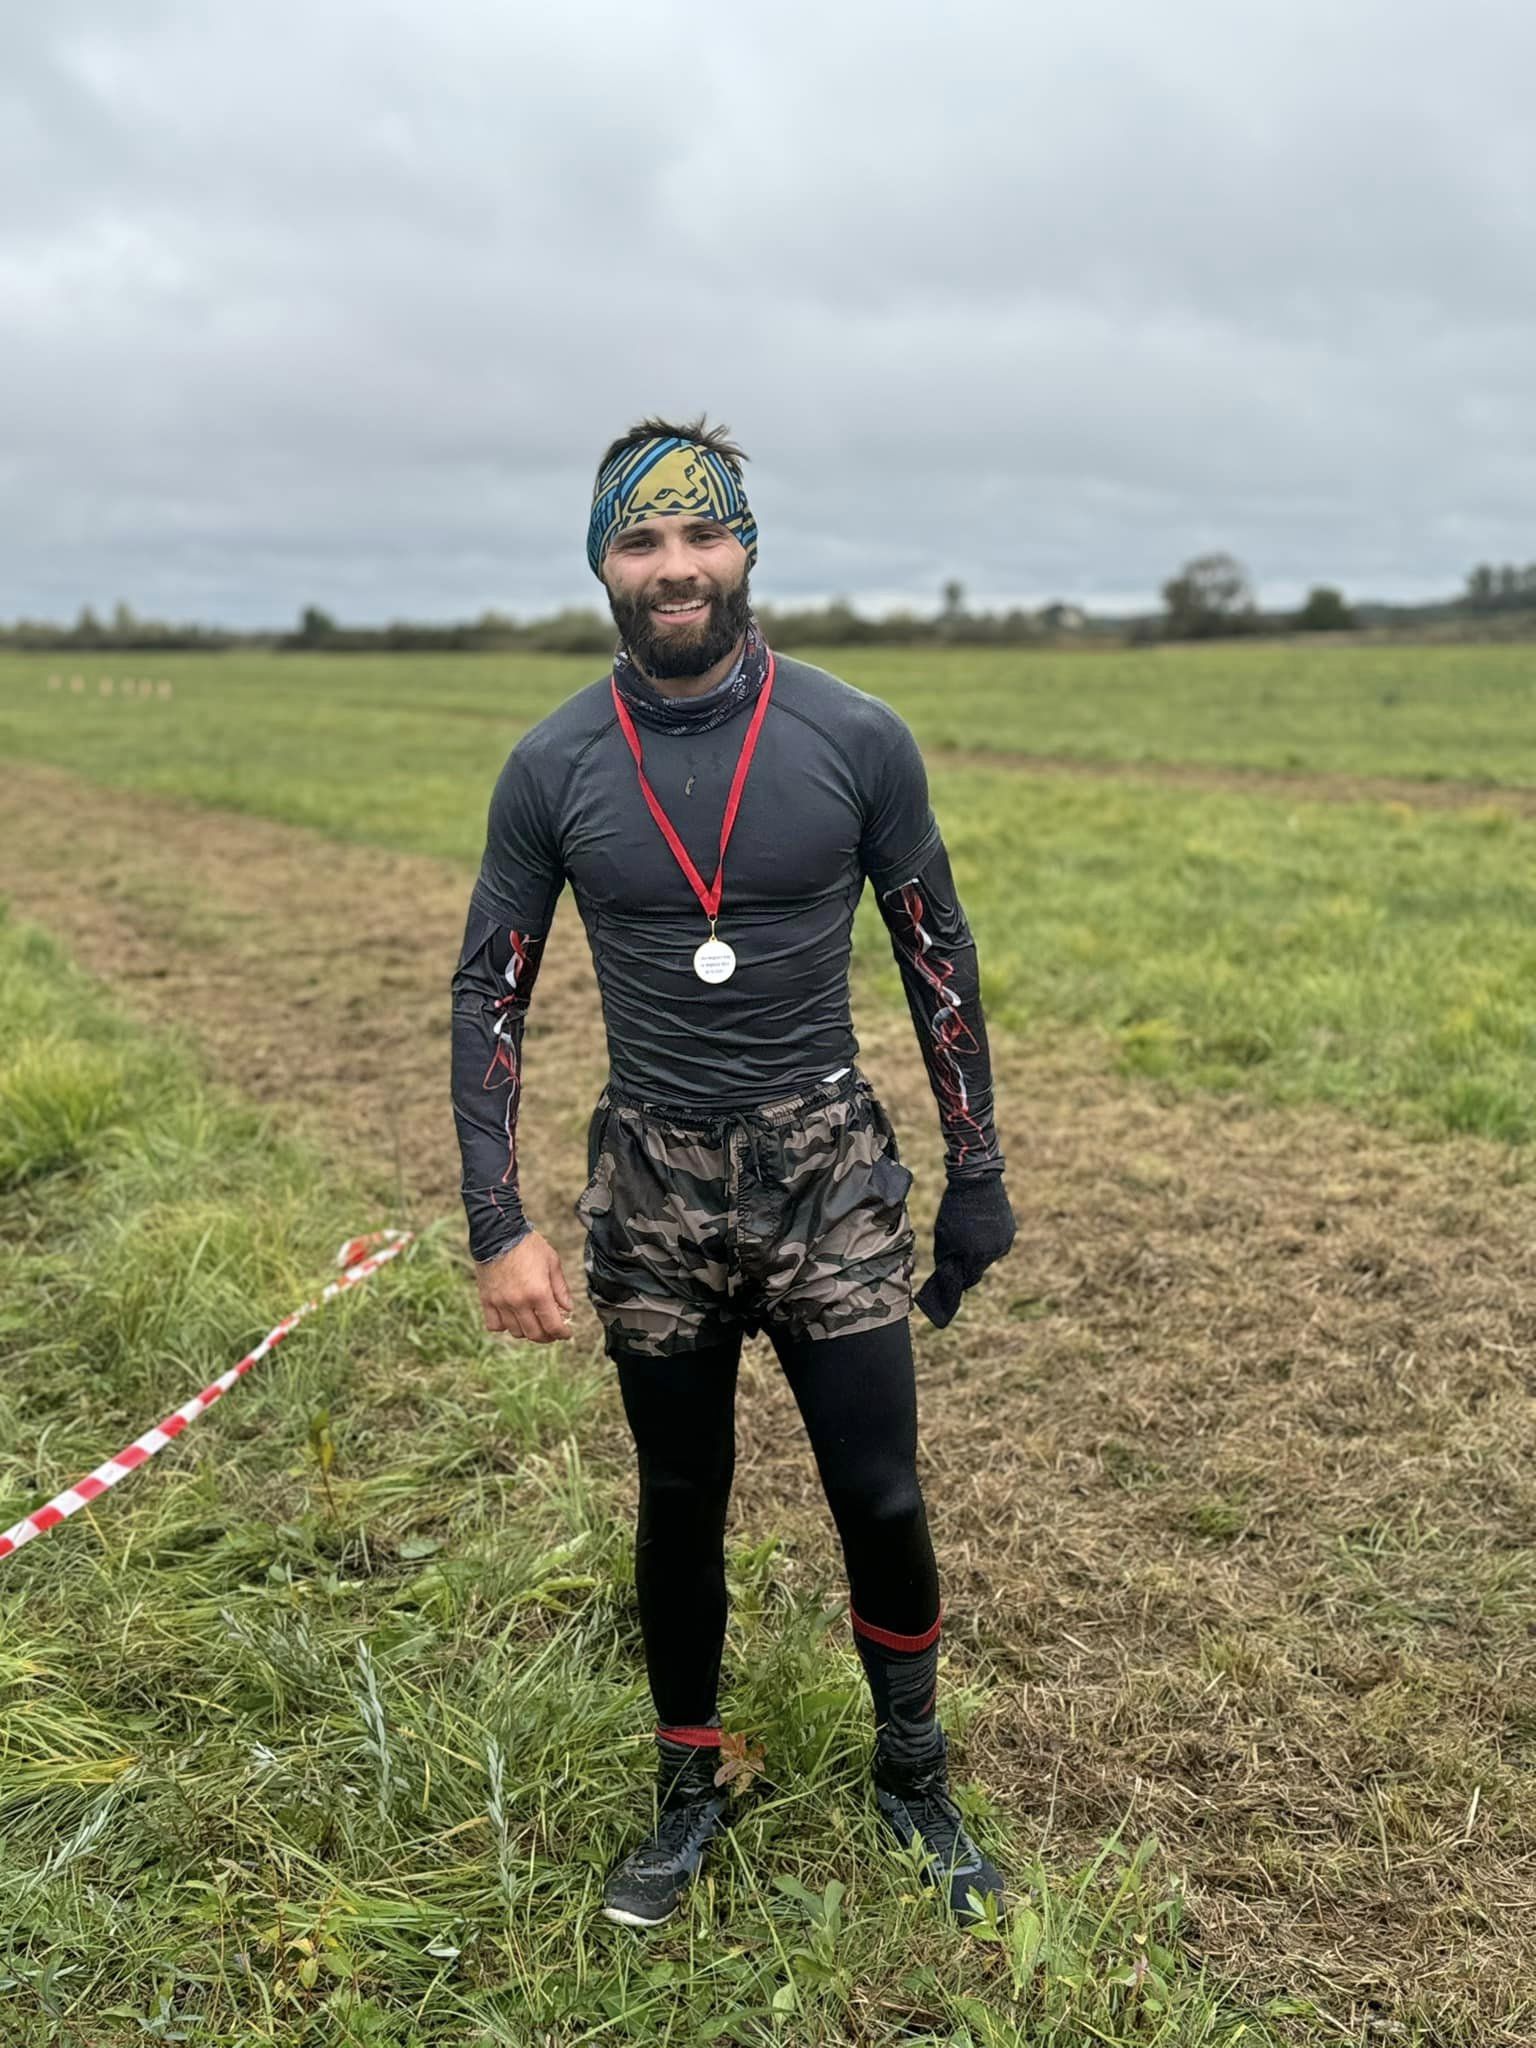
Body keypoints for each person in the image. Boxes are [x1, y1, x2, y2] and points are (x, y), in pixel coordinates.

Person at [450, 417, 1017, 1929]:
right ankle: (688, 1788)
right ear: (602, 564)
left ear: (747, 546)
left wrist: (977, 1171)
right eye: (641, 540)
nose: (676, 565)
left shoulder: (856, 737)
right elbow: (490, 986)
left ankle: (914, 1775)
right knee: (680, 1496)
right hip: (652, 1185)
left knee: (878, 1490)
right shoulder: (554, 764)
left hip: (827, 1171)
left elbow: (937, 954)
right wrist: (497, 1223)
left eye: (702, 533)